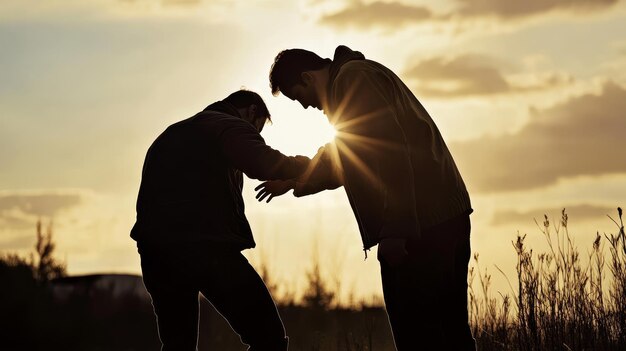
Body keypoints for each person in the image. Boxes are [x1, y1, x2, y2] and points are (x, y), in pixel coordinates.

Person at [257, 46, 476, 350]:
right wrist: (296, 178)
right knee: (450, 331)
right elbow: (348, 155)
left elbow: (389, 149)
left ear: (307, 78)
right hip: (443, 216)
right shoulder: (357, 80)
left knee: (420, 335)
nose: (305, 107)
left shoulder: (353, 82)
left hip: (420, 226)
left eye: (298, 97)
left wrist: (396, 230)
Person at [131, 89, 309, 351]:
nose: (256, 137)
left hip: (155, 252)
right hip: (206, 247)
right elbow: (263, 162)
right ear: (251, 112)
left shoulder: (170, 134)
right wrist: (310, 166)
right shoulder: (227, 125)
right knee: (268, 338)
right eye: (257, 130)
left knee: (178, 345)